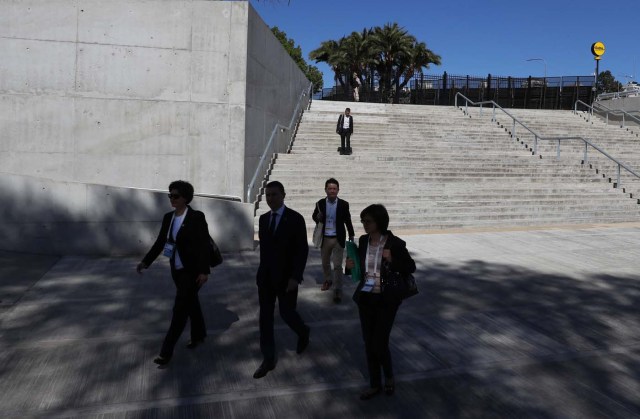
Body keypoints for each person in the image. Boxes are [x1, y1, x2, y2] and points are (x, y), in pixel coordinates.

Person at [136, 180, 212, 365]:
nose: (172, 198)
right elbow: (161, 242)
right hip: (176, 270)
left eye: (176, 196)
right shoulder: (168, 218)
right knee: (191, 303)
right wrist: (146, 261)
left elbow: (204, 246)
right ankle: (199, 335)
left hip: (192, 271)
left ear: (186, 197)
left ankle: (166, 352)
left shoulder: (196, 217)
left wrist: (204, 271)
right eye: (170, 195)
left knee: (179, 310)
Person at [345, 204, 416, 400]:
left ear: (379, 221)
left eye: (368, 221)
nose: (364, 225)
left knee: (380, 342)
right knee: (369, 343)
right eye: (363, 221)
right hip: (366, 298)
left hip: (387, 299)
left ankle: (389, 378)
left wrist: (393, 259)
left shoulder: (395, 243)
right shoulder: (363, 241)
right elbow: (357, 268)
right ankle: (375, 384)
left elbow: (411, 267)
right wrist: (348, 267)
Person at [254, 181, 310, 379]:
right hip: (266, 279)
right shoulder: (262, 219)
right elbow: (265, 251)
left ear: (283, 195)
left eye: (274, 195)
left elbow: (301, 251)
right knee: (265, 318)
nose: (270, 199)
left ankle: (303, 332)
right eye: (268, 195)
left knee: (287, 313)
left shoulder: (295, 219)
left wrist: (296, 277)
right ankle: (268, 358)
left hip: (287, 280)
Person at [312, 178, 355, 303]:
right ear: (325, 190)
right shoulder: (319, 203)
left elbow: (348, 220)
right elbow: (314, 215)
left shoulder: (344, 204)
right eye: (329, 189)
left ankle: (337, 289)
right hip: (325, 238)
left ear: (338, 190)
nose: (332, 191)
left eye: (334, 189)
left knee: (337, 265)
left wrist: (351, 234)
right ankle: (328, 280)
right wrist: (317, 217)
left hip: (338, 238)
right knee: (325, 263)